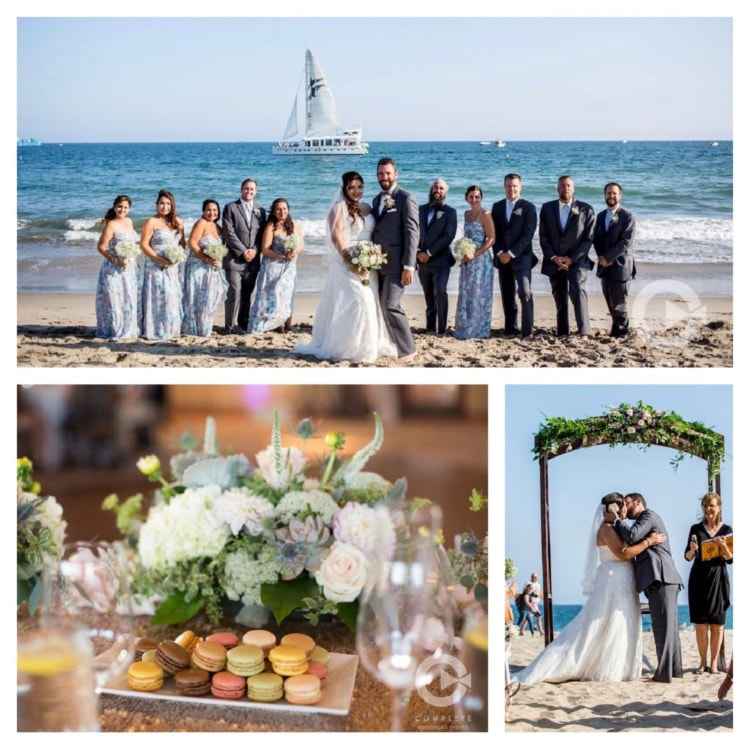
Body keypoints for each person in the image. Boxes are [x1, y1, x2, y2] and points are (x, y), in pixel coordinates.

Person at [514, 493, 664, 684]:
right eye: (622, 506)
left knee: (619, 623)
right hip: (614, 581)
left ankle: (621, 667)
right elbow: (623, 554)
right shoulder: (607, 529)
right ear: (613, 509)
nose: (625, 509)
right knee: (604, 623)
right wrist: (649, 541)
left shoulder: (619, 528)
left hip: (623, 580)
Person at [294, 171, 397, 363]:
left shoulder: (366, 207)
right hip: (348, 264)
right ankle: (348, 347)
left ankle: (367, 345)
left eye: (359, 187)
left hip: (368, 262)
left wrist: (371, 257)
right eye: (352, 187)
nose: (356, 191)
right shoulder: (338, 208)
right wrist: (351, 261)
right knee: (358, 302)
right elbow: (337, 237)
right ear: (344, 188)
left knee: (369, 302)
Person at [613, 492, 684, 682]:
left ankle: (663, 674)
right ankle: (674, 671)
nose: (624, 508)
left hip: (662, 577)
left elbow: (632, 535)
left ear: (637, 502)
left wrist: (619, 520)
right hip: (660, 579)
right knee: (667, 627)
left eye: (626, 503)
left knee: (663, 627)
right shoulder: (646, 519)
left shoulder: (648, 516)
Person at [371, 157, 419, 360]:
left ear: (395, 174)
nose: (385, 177)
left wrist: (409, 265)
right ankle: (396, 345)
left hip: (398, 264)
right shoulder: (376, 200)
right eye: (381, 174)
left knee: (391, 304)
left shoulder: (405, 198)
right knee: (382, 305)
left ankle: (408, 350)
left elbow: (412, 232)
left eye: (388, 173)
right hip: (378, 263)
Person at [539, 176, 595, 336]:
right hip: (554, 260)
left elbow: (588, 239)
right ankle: (563, 331)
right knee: (559, 294)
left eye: (569, 185)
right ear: (557, 188)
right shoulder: (547, 208)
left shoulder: (586, 209)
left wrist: (572, 259)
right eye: (562, 186)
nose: (566, 188)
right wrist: (553, 257)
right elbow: (543, 236)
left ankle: (584, 330)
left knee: (578, 291)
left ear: (574, 188)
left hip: (577, 260)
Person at [684, 492, 732, 674]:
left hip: (719, 580)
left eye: (712, 505)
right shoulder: (695, 529)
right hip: (699, 580)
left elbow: (730, 559)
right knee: (701, 625)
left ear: (718, 507)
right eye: (705, 506)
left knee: (718, 625)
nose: (708, 509)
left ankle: (713, 663)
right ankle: (702, 662)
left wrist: (724, 547)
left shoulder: (727, 529)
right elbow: (687, 557)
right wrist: (692, 550)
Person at [491, 173, 538, 337]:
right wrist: (499, 252)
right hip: (501, 257)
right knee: (507, 293)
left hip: (522, 257)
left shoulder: (529, 207)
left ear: (520, 187)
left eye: (515, 186)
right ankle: (510, 328)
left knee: (525, 292)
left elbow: (528, 234)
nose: (512, 189)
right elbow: (492, 233)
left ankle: (527, 330)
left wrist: (511, 253)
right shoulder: (496, 207)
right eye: (509, 186)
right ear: (504, 187)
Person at [247, 198, 303, 333]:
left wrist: (294, 252)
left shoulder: (295, 225)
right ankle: (267, 323)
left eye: (284, 208)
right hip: (273, 266)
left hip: (289, 267)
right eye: (278, 209)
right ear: (273, 211)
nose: (282, 211)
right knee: (271, 295)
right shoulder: (271, 226)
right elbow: (265, 249)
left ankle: (284, 324)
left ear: (288, 209)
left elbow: (301, 245)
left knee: (286, 295)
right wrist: (281, 256)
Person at [222, 178, 266, 333]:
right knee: (234, 291)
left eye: (252, 189)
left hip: (253, 261)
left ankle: (242, 324)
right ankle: (229, 326)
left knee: (247, 293)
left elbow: (262, 234)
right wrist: (243, 251)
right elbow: (228, 232)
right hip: (234, 259)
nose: (249, 191)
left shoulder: (261, 210)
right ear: (241, 189)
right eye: (246, 188)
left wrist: (254, 250)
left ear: (256, 191)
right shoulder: (231, 207)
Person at [139, 190, 185, 339]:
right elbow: (144, 245)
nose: (164, 207)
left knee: (171, 297)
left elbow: (182, 244)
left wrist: (176, 256)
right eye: (161, 203)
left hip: (172, 267)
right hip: (155, 266)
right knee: (158, 296)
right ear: (156, 205)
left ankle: (170, 329)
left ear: (172, 205)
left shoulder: (177, 222)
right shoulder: (151, 222)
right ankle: (156, 330)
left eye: (168, 204)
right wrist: (159, 259)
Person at [593, 182, 636, 337]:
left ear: (620, 195)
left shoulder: (627, 216)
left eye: (614, 193)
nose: (611, 196)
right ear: (604, 195)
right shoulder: (600, 216)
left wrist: (609, 257)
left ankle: (622, 333)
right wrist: (601, 257)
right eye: (608, 193)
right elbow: (596, 239)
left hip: (620, 266)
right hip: (604, 266)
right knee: (609, 300)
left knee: (619, 303)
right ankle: (615, 330)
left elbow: (625, 242)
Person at [181, 199, 229, 337]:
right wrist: (206, 258)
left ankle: (205, 327)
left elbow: (221, 248)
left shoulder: (217, 226)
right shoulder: (201, 223)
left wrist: (219, 259)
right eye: (208, 210)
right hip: (198, 268)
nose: (211, 212)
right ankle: (194, 329)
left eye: (214, 210)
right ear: (203, 211)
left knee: (210, 299)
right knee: (197, 299)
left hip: (211, 269)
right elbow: (192, 243)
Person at [416, 178, 457, 335]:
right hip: (422, 261)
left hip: (441, 260)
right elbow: (414, 232)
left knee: (440, 290)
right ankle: (430, 326)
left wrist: (429, 253)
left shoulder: (450, 212)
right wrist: (417, 252)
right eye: (435, 187)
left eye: (441, 188)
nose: (437, 191)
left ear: (445, 192)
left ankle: (441, 328)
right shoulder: (421, 209)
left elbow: (448, 236)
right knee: (428, 294)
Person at [95, 194, 139, 339]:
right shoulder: (111, 224)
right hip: (113, 268)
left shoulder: (129, 221)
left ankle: (127, 330)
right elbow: (101, 247)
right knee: (114, 300)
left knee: (127, 299)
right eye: (120, 206)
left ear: (129, 209)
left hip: (128, 268)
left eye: (126, 207)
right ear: (114, 207)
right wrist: (115, 259)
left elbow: (132, 242)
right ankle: (114, 331)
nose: (122, 209)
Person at [454, 185, 495, 339]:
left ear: (481, 198)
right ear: (466, 198)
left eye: (477, 196)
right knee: (467, 292)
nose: (474, 199)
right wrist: (462, 251)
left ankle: (479, 330)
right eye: (471, 196)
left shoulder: (485, 214)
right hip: (467, 258)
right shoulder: (466, 214)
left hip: (481, 260)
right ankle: (465, 328)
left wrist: (475, 254)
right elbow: (466, 237)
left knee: (479, 293)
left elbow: (491, 238)